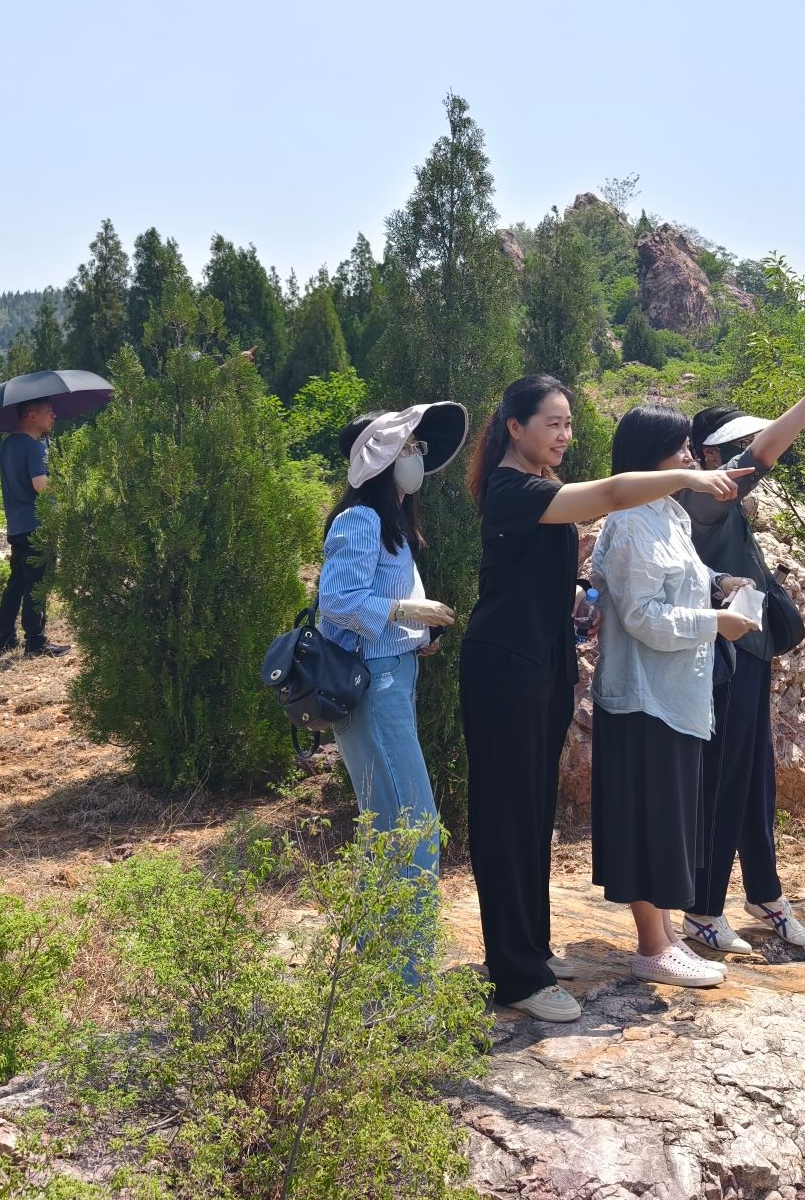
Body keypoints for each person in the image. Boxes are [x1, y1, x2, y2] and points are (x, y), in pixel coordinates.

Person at [460, 374, 752, 1023]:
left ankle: (532, 949)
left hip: (542, 667)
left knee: (534, 818)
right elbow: (616, 494)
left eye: (569, 423)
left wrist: (575, 599)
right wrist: (691, 476)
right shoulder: (513, 488)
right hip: (503, 671)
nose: (565, 435)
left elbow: (535, 572)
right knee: (508, 822)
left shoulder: (540, 487)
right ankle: (516, 976)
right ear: (514, 427)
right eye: (553, 423)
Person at [678, 359, 805, 957]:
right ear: (709, 456)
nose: (747, 453)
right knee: (724, 782)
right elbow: (764, 454)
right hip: (724, 658)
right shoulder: (699, 498)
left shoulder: (718, 502)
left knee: (755, 780)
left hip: (750, 652)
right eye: (734, 446)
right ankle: (703, 910)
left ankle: (764, 894)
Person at [591, 405, 759, 988]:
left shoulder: (666, 512)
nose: (691, 457)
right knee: (648, 820)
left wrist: (720, 583)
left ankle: (664, 937)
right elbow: (642, 616)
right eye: (681, 448)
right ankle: (650, 946)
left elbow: (682, 575)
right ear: (650, 456)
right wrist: (716, 623)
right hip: (644, 697)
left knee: (668, 818)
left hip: (675, 694)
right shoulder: (628, 523)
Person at [316, 401, 469, 981]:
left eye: (417, 447)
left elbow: (368, 607)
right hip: (375, 685)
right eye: (407, 447)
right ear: (378, 459)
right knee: (414, 826)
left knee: (387, 826)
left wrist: (414, 634)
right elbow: (338, 602)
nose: (417, 457)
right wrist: (406, 610)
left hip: (389, 675)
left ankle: (373, 978)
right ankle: (405, 985)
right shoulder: (360, 520)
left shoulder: (392, 523)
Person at [0, 397, 69, 660]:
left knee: (16, 583)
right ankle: (35, 642)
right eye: (49, 411)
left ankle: (5, 639)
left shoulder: (8, 445)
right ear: (32, 416)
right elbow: (40, 485)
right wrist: (63, 482)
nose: (54, 416)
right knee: (38, 584)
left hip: (17, 526)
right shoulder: (34, 448)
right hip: (38, 526)